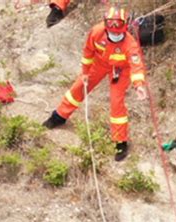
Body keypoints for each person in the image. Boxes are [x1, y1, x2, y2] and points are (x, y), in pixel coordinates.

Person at [42, 7, 147, 162]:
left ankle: (120, 141)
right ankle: (59, 116)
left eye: (118, 33)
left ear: (125, 29)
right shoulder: (97, 32)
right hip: (99, 63)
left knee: (116, 102)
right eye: (112, 32)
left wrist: (139, 85)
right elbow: (88, 52)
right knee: (78, 88)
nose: (114, 35)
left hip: (120, 70)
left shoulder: (130, 44)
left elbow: (136, 66)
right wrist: (85, 73)